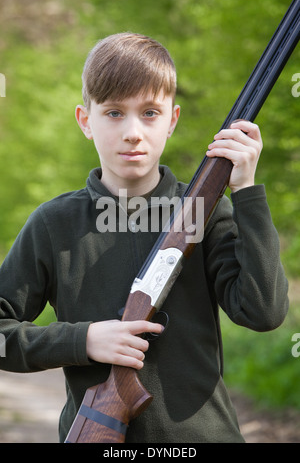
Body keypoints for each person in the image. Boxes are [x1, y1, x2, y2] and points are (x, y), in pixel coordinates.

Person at [0, 32, 288, 443]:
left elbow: (264, 312)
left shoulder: (204, 214)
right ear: (85, 120)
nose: (133, 132)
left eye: (150, 112)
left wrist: (246, 193)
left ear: (172, 120)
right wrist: (83, 339)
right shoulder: (54, 224)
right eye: (115, 113)